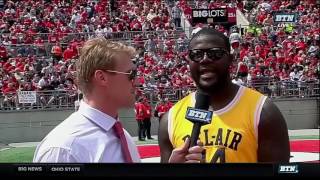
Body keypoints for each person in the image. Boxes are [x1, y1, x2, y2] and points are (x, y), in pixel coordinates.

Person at [33, 38, 204, 163]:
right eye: (131, 74)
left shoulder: (123, 136)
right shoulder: (64, 149)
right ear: (102, 78)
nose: (137, 82)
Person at [159, 28, 290, 163]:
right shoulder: (170, 119)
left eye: (215, 53)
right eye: (196, 54)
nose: (205, 60)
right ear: (188, 61)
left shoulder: (264, 113)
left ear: (231, 60)